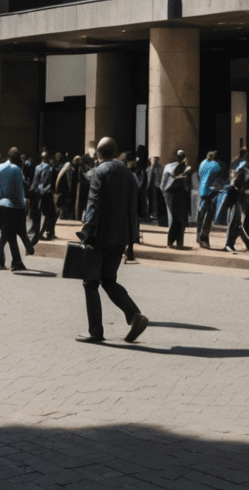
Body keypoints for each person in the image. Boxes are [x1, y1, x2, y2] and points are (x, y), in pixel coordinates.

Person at [74, 136, 149, 343]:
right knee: (108, 280)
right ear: (115, 153)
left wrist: (86, 230)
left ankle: (95, 332)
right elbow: (141, 207)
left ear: (99, 154)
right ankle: (135, 315)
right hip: (121, 236)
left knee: (90, 283)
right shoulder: (129, 174)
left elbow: (94, 202)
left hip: (100, 236)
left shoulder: (100, 171)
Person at [0, 148, 30, 271]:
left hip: (2, 205)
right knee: (8, 235)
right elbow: (19, 190)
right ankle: (6, 262)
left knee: (8, 235)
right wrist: (23, 206)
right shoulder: (17, 170)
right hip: (15, 207)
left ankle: (14, 261)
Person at [195, 150, 225, 248]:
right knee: (208, 217)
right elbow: (221, 179)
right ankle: (204, 238)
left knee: (201, 214)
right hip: (212, 193)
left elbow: (199, 177)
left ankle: (198, 234)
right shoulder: (217, 165)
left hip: (203, 191)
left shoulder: (202, 163)